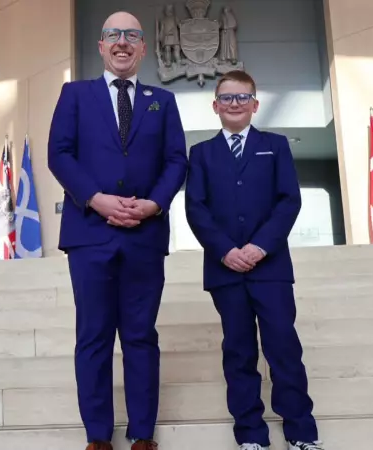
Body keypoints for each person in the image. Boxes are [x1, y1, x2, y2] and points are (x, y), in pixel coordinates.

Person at [47, 10, 188, 450]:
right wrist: (95, 198)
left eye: (131, 35)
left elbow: (176, 161)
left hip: (145, 236)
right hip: (90, 233)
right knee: (93, 336)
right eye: (113, 35)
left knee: (141, 335)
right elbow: (60, 153)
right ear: (101, 46)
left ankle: (143, 434)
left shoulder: (161, 101)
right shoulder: (74, 94)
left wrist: (153, 204)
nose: (122, 42)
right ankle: (98, 438)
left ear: (143, 47)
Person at [184, 70, 324, 450]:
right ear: (215, 106)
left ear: (255, 104)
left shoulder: (275, 145)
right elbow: (196, 209)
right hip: (225, 271)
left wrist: (260, 246)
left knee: (283, 347)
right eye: (227, 98)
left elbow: (288, 201)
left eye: (242, 97)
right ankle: (250, 435)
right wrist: (226, 251)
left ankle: (301, 432)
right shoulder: (200, 154)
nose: (234, 104)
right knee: (239, 351)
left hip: (271, 268)